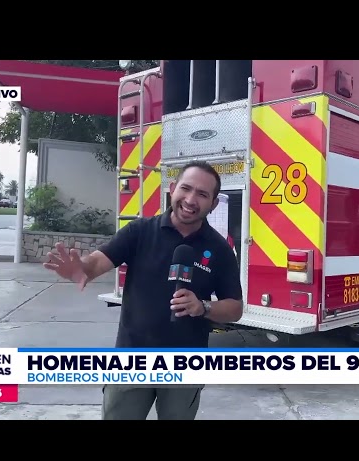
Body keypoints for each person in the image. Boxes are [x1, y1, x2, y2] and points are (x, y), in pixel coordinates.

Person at [43, 160, 244, 420]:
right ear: (172, 189)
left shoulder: (220, 249)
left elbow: (235, 309)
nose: (191, 199)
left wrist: (202, 306)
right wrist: (82, 268)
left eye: (203, 194)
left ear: (214, 204)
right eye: (186, 188)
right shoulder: (140, 232)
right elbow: (97, 262)